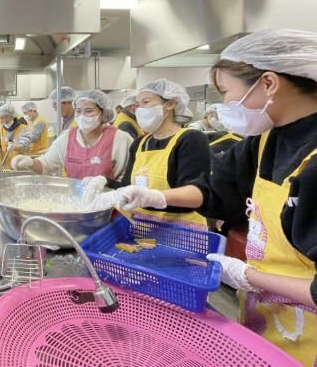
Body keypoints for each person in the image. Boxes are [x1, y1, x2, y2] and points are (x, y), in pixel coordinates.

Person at [97, 29, 317, 364]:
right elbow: (213, 190)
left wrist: (248, 276)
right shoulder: (265, 140)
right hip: (272, 325)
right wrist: (154, 196)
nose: (225, 104)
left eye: (226, 92)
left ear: (269, 84)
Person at [90, 79, 211, 230]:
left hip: (183, 233)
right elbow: (128, 187)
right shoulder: (140, 144)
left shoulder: (190, 139)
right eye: (138, 104)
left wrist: (153, 197)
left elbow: (195, 196)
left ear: (170, 104)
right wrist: (105, 182)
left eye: (146, 102)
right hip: (143, 231)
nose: (139, 109)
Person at [11, 90, 132, 194]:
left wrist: (107, 182)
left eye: (89, 111)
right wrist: (30, 163)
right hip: (75, 203)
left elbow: (130, 180)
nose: (82, 116)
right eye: (78, 111)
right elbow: (46, 165)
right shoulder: (67, 138)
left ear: (103, 113)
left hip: (109, 207)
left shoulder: (121, 139)